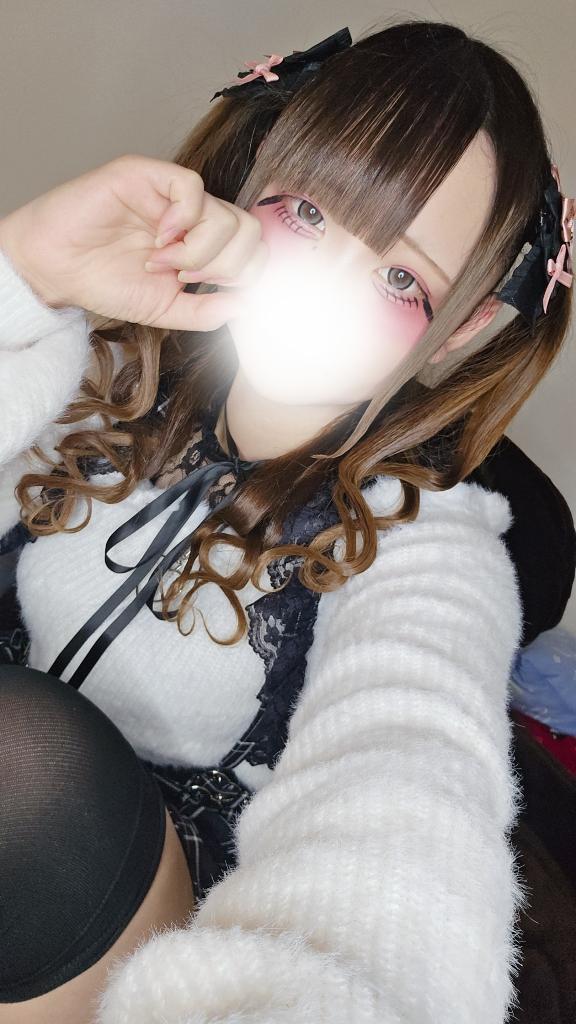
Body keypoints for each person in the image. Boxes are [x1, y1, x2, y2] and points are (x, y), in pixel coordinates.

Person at [0, 17, 574, 1024]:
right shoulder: (86, 367)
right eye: (308, 214)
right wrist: (21, 281)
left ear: (464, 331)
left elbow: (406, 793)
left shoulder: (428, 551)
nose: (328, 284)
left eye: (401, 278)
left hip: (146, 923)